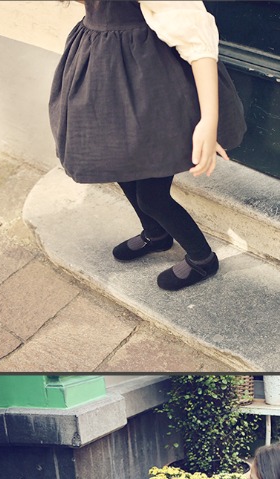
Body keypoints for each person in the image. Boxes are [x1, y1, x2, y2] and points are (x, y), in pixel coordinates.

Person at [49, 0, 246, 291]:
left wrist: (208, 120)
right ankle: (156, 235)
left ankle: (202, 259)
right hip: (104, 71)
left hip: (151, 83)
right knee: (120, 164)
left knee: (152, 197)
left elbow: (197, 40)